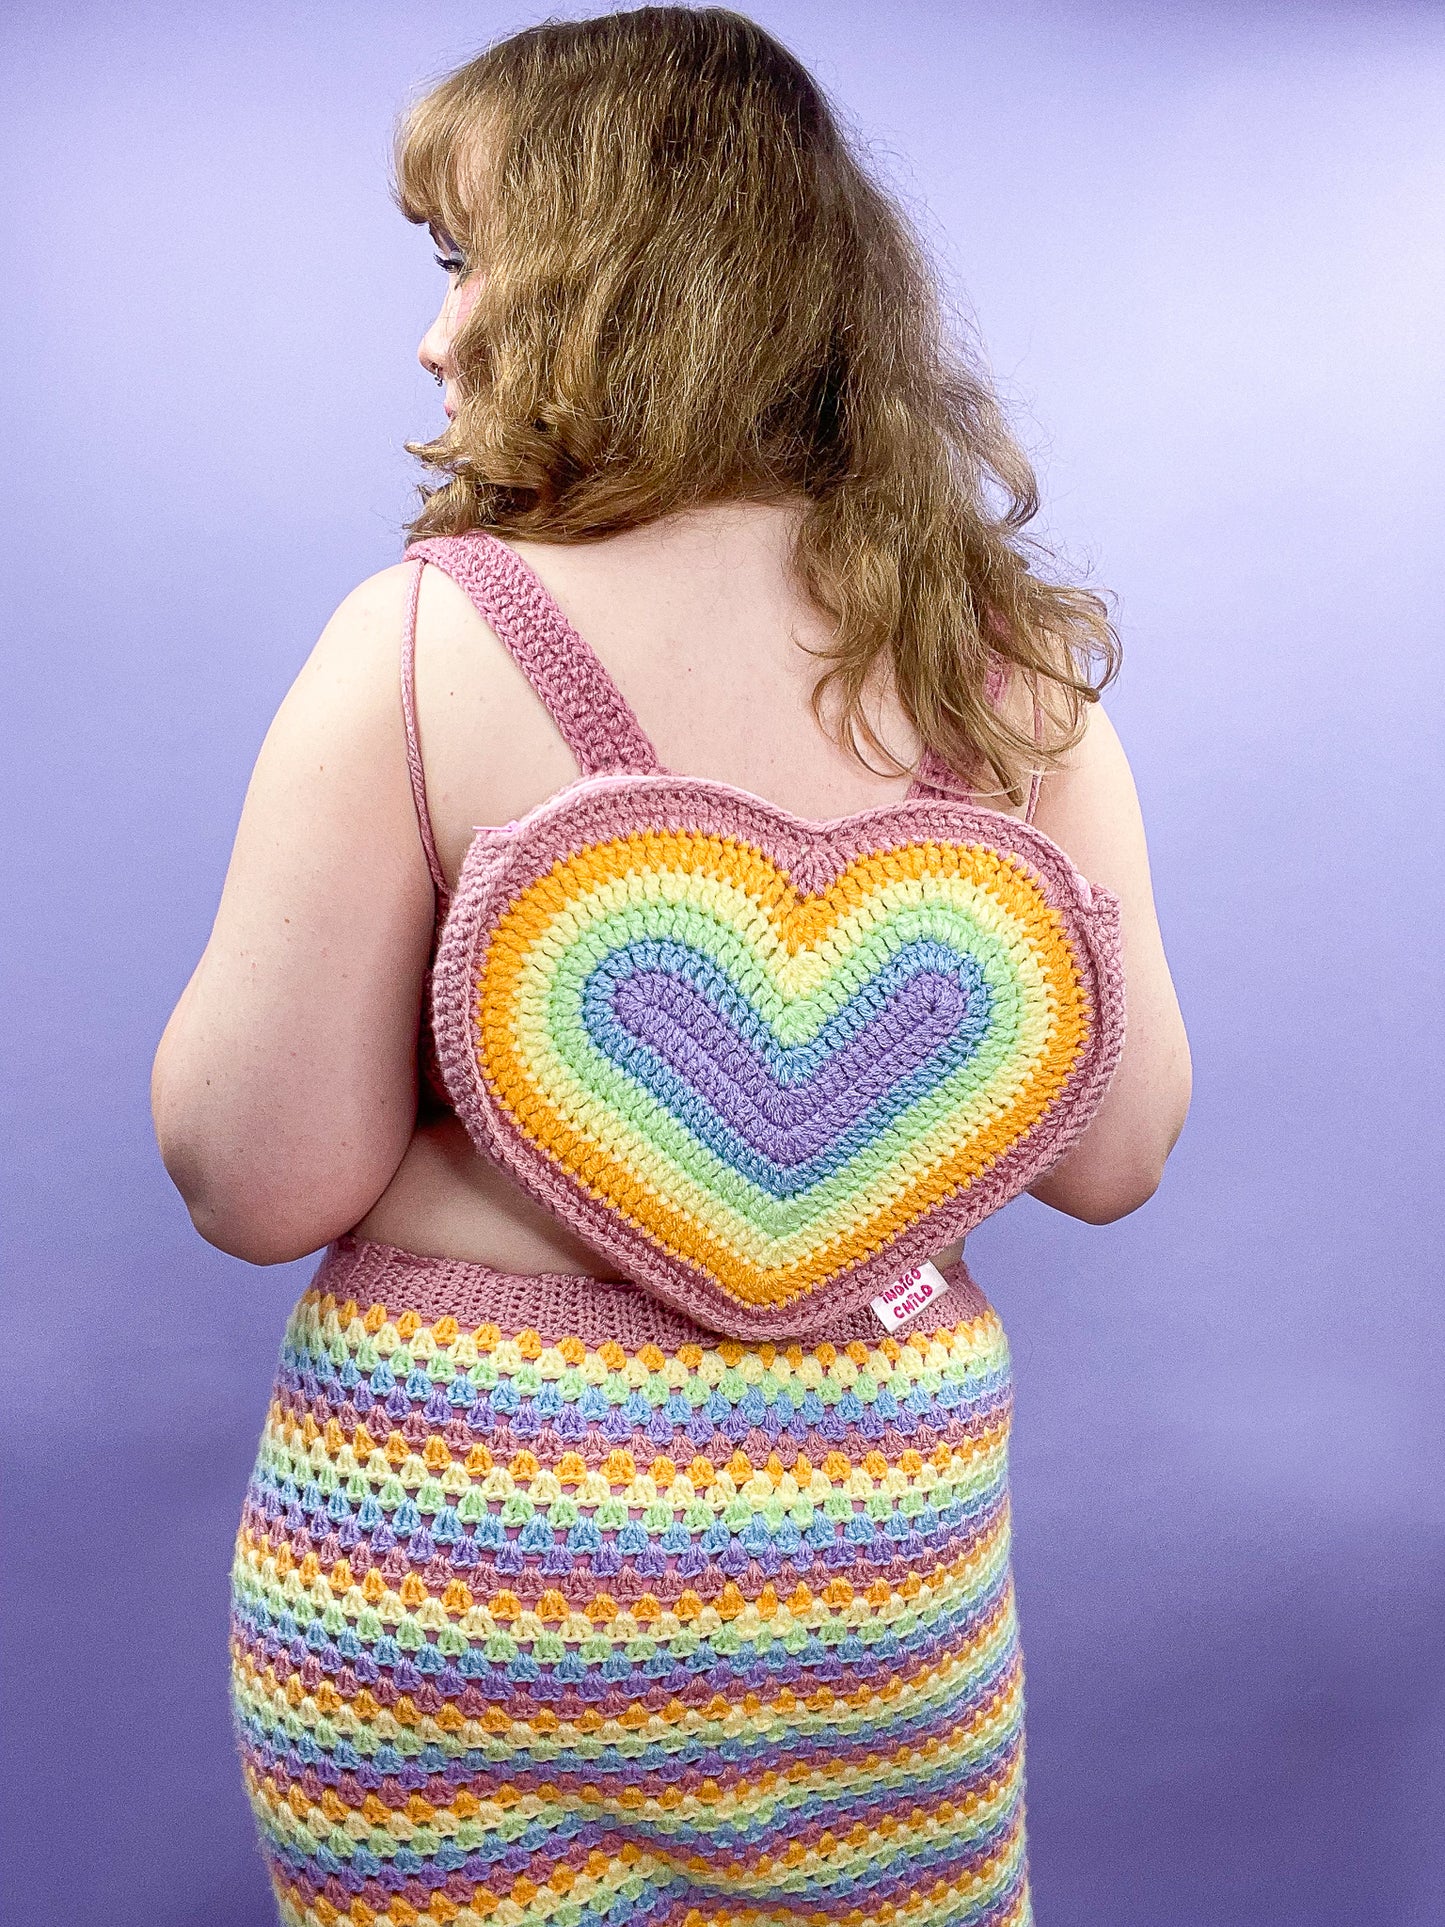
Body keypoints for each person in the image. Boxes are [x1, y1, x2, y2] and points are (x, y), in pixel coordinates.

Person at [153, 10, 1190, 1924]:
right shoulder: (1006, 672)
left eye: (469, 267)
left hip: (448, 1585)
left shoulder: (420, 642)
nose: (432, 331)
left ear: (620, 288)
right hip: (876, 1613)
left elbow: (254, 1177)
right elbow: (1113, 1152)